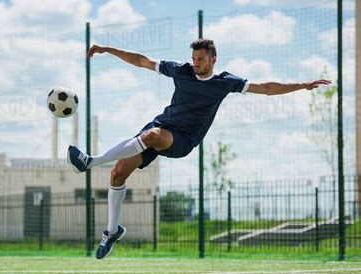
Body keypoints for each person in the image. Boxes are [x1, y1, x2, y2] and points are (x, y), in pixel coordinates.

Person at [67, 38, 331, 259]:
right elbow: (142, 61)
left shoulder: (225, 82)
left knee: (152, 136)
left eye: (200, 60)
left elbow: (267, 88)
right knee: (118, 173)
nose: (195, 63)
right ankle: (112, 230)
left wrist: (303, 85)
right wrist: (108, 49)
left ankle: (90, 162)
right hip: (160, 127)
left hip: (182, 139)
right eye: (193, 59)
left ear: (213, 59)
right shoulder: (181, 71)